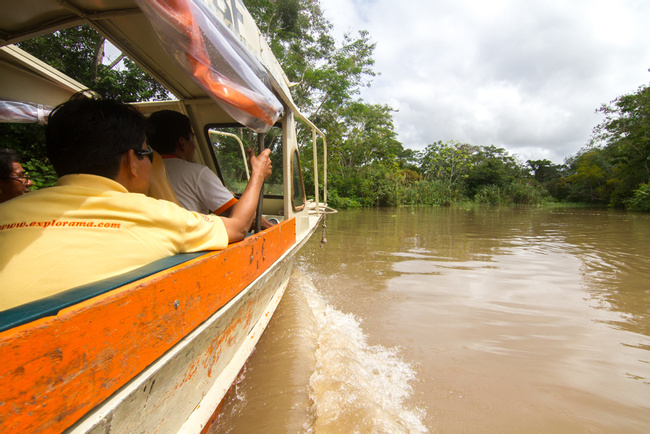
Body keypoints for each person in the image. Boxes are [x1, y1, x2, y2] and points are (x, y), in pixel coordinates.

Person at [0, 93, 272, 311]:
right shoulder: (158, 214)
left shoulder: (5, 211)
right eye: (145, 153)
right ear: (132, 160)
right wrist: (257, 174)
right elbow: (237, 226)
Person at [146, 110, 274, 229]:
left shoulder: (141, 172)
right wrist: (258, 175)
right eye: (193, 139)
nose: (194, 147)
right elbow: (247, 220)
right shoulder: (196, 173)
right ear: (182, 143)